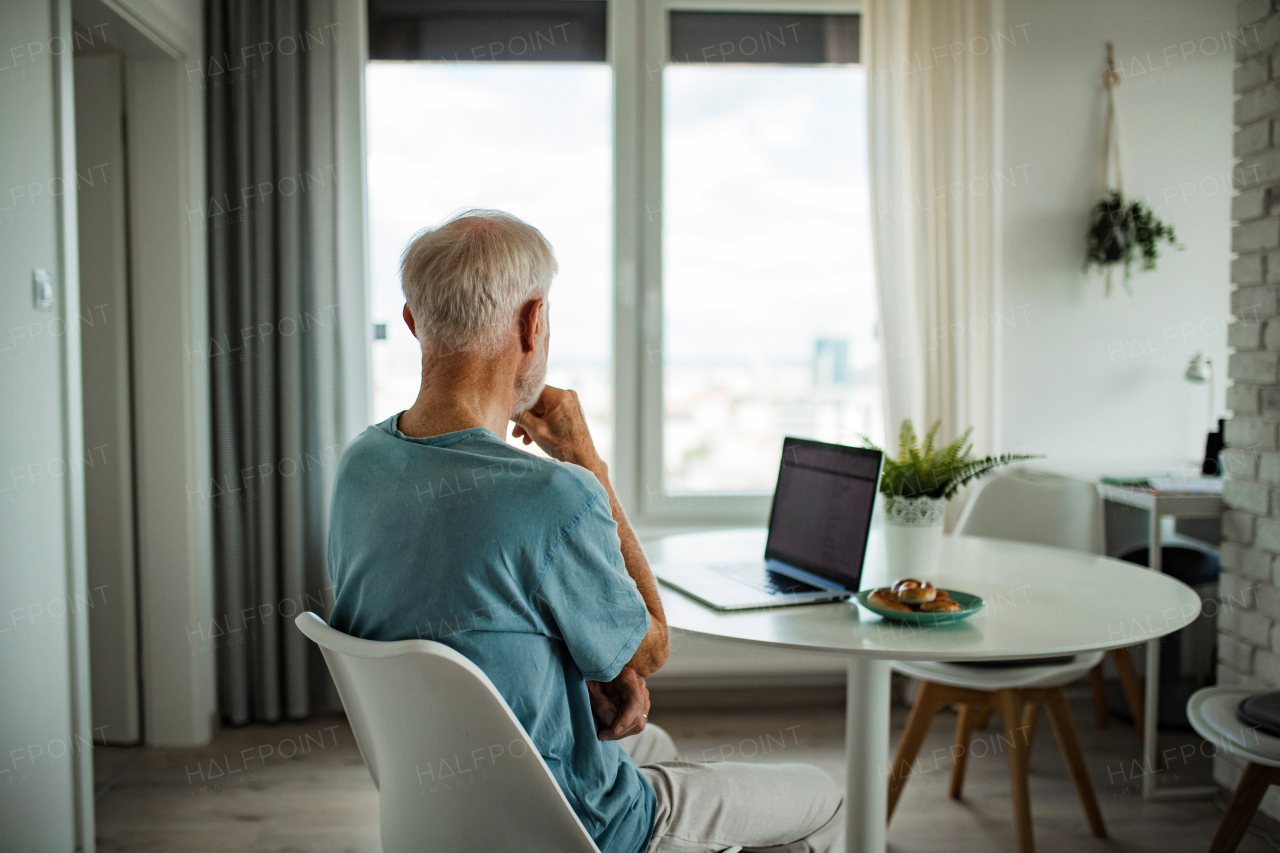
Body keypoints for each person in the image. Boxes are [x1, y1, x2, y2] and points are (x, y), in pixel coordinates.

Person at [327, 209, 843, 853]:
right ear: (532, 321)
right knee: (826, 799)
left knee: (655, 746)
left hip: (443, 805)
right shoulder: (553, 493)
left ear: (412, 321)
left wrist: (596, 672)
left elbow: (463, 612)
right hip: (577, 821)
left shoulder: (360, 466)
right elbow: (649, 651)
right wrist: (585, 463)